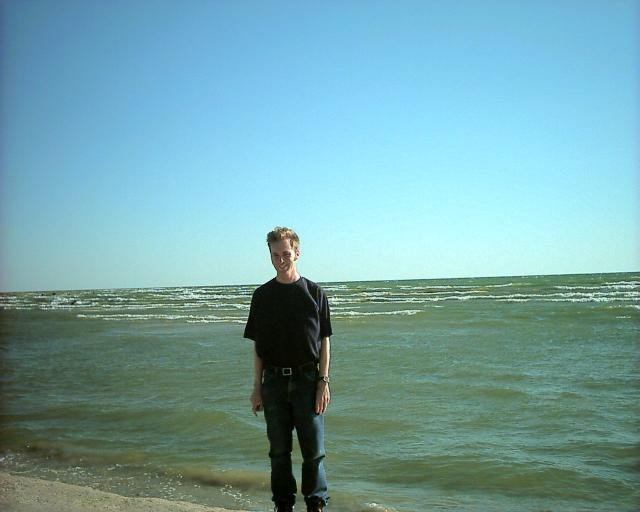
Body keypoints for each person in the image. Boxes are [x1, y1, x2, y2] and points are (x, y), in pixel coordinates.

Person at [244, 227, 332, 512]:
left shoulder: (315, 293)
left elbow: (324, 341)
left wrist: (323, 381)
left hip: (308, 380)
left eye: (285, 253)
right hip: (274, 383)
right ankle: (283, 505)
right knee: (279, 452)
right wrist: (257, 387)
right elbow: (257, 347)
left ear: (297, 252)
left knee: (314, 452)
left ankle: (316, 504)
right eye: (275, 255)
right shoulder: (262, 296)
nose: (281, 260)